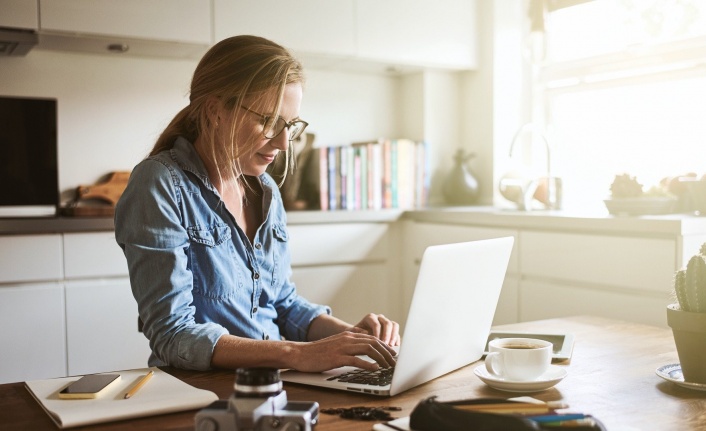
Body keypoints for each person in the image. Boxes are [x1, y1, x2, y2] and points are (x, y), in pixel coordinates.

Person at [115, 35, 400, 374]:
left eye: (290, 126)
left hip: (276, 383)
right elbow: (173, 333)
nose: (282, 142)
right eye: (268, 122)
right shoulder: (160, 184)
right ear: (215, 111)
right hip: (200, 390)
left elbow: (282, 304)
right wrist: (297, 354)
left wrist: (354, 338)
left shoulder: (265, 191)